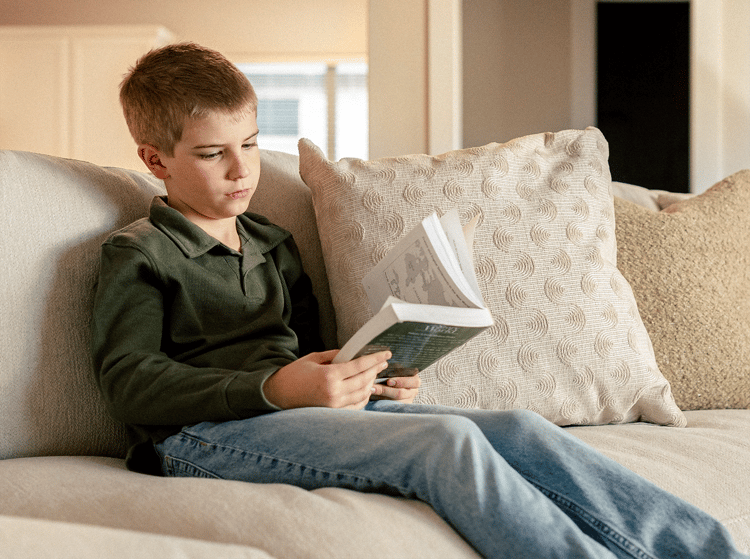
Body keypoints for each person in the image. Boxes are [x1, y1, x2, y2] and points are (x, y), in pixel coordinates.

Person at [91, 42, 748, 559]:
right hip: (200, 438)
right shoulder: (140, 252)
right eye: (213, 154)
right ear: (156, 159)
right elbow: (131, 385)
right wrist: (273, 389)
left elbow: (311, 354)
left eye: (252, 144)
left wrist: (368, 372)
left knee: (521, 427)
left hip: (303, 415)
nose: (241, 170)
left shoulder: (271, 240)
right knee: (445, 444)